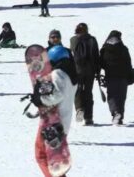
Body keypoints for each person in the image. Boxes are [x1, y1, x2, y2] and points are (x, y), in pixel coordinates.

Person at [30, 45, 77, 177]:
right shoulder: (72, 75)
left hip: (53, 121)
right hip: (62, 122)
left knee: (41, 155)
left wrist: (40, 99)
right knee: (55, 159)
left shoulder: (58, 74)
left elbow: (57, 96)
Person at [100, 30, 134, 125]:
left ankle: (115, 112)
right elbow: (128, 63)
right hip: (123, 77)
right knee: (121, 97)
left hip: (110, 77)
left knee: (111, 96)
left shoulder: (105, 49)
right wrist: (131, 76)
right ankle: (119, 116)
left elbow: (101, 63)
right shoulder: (123, 49)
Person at [70, 23, 100, 125]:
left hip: (77, 70)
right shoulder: (92, 39)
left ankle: (79, 109)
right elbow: (96, 56)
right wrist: (97, 71)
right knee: (88, 93)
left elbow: (72, 52)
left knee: (77, 90)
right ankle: (89, 118)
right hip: (90, 71)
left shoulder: (73, 39)